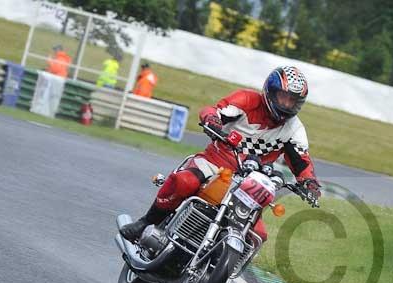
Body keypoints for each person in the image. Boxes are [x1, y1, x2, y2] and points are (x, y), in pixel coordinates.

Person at [120, 65, 321, 244]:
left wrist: (309, 183)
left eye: (292, 101)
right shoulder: (247, 100)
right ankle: (146, 222)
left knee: (258, 234)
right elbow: (214, 110)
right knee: (185, 182)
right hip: (216, 162)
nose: (286, 105)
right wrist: (212, 120)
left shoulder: (294, 128)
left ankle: (221, 270)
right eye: (283, 97)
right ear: (271, 91)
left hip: (252, 181)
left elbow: (301, 160)